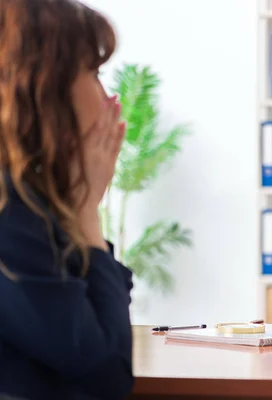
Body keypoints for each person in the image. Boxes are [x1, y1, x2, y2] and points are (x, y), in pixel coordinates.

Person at [0, 0, 134, 398]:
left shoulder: (29, 200)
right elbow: (106, 374)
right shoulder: (12, 215)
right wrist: (89, 219)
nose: (107, 96)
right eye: (94, 72)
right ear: (44, 85)